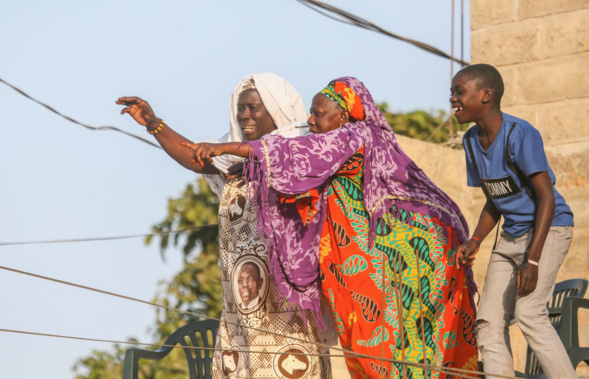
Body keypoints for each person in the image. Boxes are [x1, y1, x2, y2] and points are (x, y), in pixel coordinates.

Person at [186, 77, 479, 378]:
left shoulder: (353, 134)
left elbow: (294, 154)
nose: (310, 121)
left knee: (384, 342)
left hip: (388, 260)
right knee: (379, 342)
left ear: (342, 116)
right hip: (360, 259)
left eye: (318, 113)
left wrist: (223, 148)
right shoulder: (358, 138)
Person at [117, 73, 333, 378]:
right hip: (241, 307)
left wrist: (253, 161)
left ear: (277, 112)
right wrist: (155, 124)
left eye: (253, 109)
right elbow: (196, 156)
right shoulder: (230, 160)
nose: (244, 115)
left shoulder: (300, 152)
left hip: (285, 306)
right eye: (240, 108)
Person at [452, 64, 576, 378]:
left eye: (459, 92)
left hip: (548, 229)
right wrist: (475, 239)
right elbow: (495, 199)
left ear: (486, 95)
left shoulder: (520, 134)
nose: (452, 99)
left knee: (529, 313)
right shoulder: (470, 142)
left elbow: (546, 198)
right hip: (511, 236)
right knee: (489, 321)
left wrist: (532, 261)